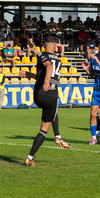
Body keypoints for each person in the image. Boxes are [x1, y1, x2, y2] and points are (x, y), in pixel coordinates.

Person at [23, 36, 66, 167]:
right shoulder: (57, 59)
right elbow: (49, 66)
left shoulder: (41, 54)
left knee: (51, 113)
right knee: (46, 125)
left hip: (38, 95)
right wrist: (47, 82)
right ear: (55, 46)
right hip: (50, 93)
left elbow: (41, 75)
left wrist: (27, 74)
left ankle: (30, 158)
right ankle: (58, 136)